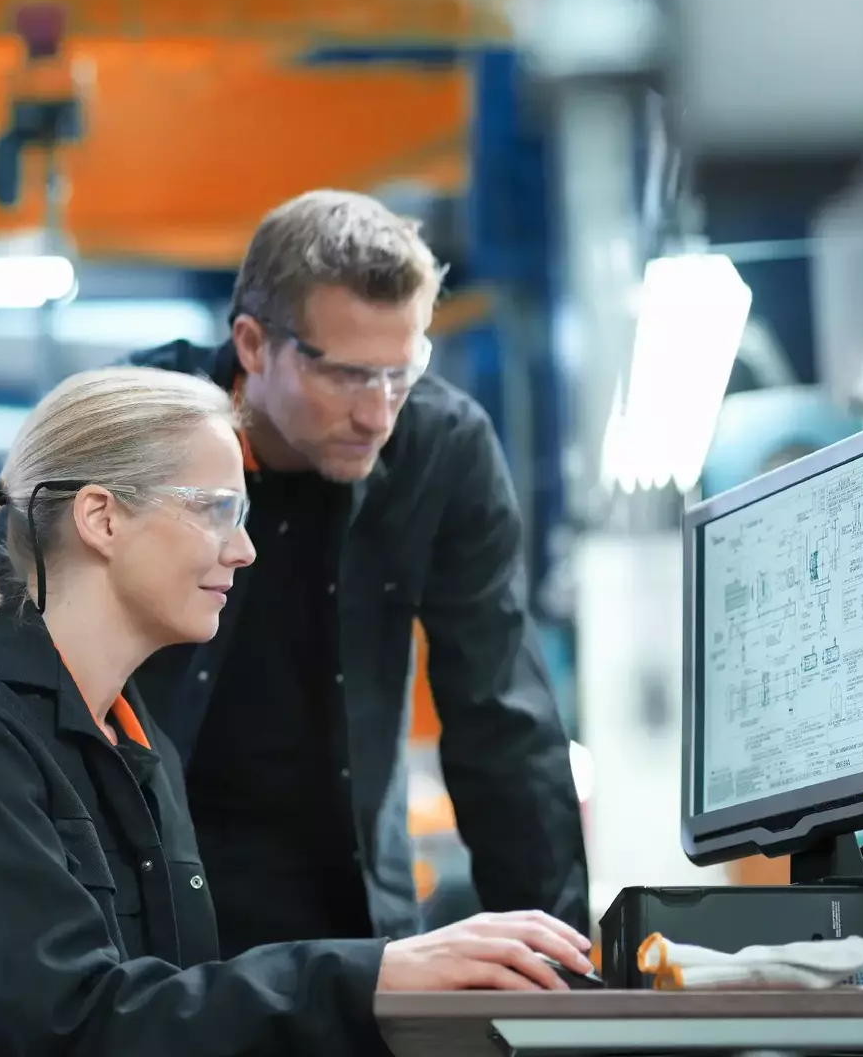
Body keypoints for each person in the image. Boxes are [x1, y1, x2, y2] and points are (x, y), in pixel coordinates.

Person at [0, 366, 595, 1057]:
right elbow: (73, 1026)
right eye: (217, 510)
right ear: (101, 519)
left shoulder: (130, 739)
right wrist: (378, 971)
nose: (245, 549)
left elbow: (170, 1010)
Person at [132, 190, 589, 956]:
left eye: (401, 374)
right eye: (347, 376)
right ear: (252, 344)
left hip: (345, 925)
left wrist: (565, 963)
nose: (379, 414)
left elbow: (501, 722)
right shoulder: (134, 432)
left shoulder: (442, 450)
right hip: (148, 919)